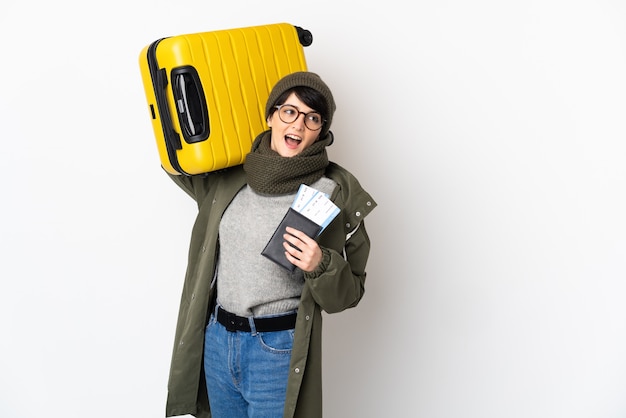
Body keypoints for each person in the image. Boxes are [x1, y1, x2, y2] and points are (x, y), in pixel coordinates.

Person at [163, 71, 377, 418]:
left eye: (313, 118)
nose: (299, 124)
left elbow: (348, 295)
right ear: (271, 116)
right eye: (289, 111)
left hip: (276, 350)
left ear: (322, 131)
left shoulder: (334, 193)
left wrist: (321, 263)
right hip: (218, 342)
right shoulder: (229, 176)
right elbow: (175, 160)